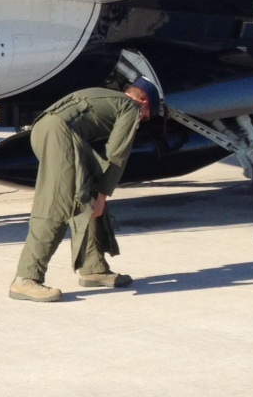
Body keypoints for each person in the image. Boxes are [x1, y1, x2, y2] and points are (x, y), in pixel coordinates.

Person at [9, 81, 157, 302]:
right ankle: (26, 279)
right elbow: (117, 154)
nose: (143, 119)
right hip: (61, 135)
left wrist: (96, 191)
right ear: (143, 101)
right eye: (147, 115)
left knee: (85, 191)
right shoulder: (130, 107)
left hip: (44, 129)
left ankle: (93, 267)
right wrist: (103, 196)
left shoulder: (106, 95)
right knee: (59, 203)